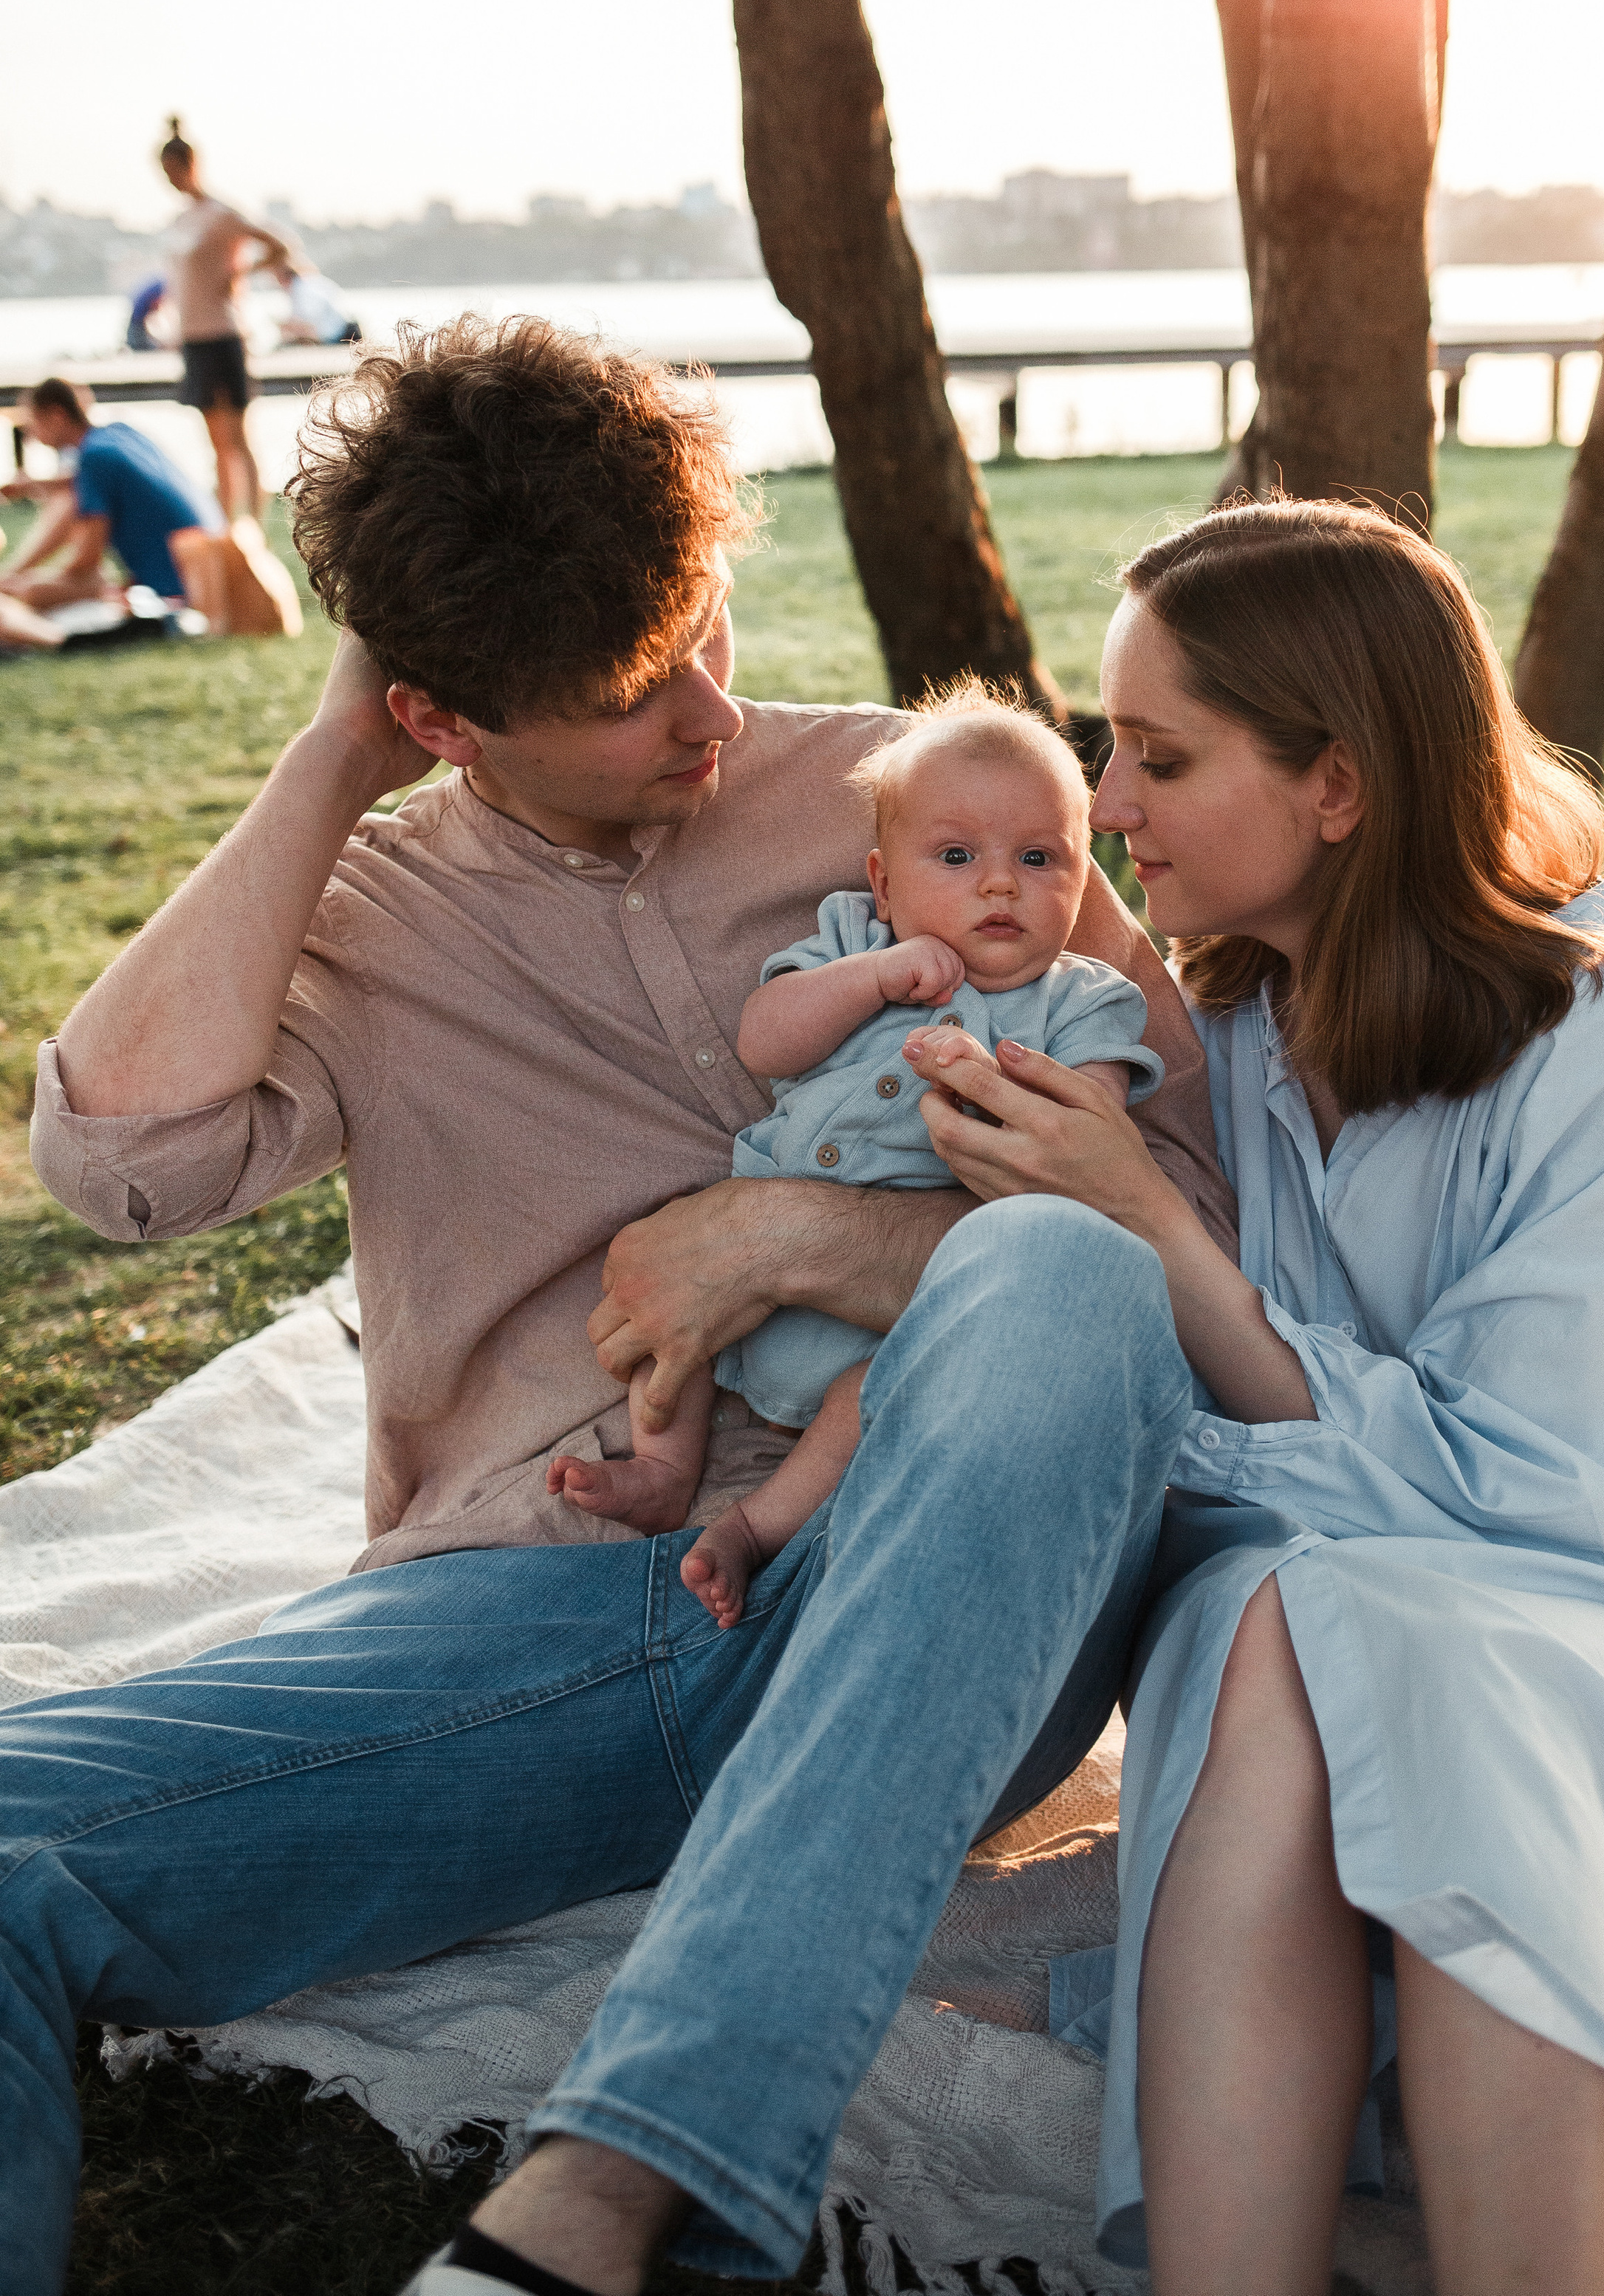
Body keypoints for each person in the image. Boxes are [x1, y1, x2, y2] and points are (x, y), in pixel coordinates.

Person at [4, 313, 1227, 2296]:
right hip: (554, 1606)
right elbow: (121, 1162)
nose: (707, 711)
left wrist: (800, 1238)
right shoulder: (368, 914)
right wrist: (330, 760)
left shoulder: (932, 808)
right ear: (440, 714)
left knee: (1071, 1273)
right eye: (625, 692)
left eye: (702, 627)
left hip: (961, 1549)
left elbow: (1178, 1221)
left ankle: (612, 2182)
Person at [902, 498, 1604, 2296]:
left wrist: (1155, 1241)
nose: (1103, 805)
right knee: (1286, 1611)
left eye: (1158, 756)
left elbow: (1565, 1493)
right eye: (1107, 748)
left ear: (1338, 783)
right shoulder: (1204, 1037)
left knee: (1381, 1652)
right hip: (1300, 1610)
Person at [550, 683, 1165, 1630]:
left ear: (1086, 880)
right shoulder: (851, 940)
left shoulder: (1084, 1003)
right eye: (956, 857)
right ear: (884, 884)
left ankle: (752, 1528)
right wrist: (871, 978)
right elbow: (766, 1041)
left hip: (883, 1315)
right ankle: (664, 1472)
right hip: (741, 1256)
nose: (999, 885)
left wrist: (989, 1083)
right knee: (669, 1306)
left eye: (1038, 858)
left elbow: (1086, 1149)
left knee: (864, 1402)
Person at [0, 377, 225, 637]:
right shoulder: (117, 434)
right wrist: (34, 485)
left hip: (178, 588)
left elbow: (87, 560)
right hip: (211, 566)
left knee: (35, 592)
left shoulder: (93, 458)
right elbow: (81, 478)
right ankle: (12, 576)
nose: (31, 436)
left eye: (33, 425)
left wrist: (33, 582)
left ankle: (9, 580)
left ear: (57, 416)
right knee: (68, 510)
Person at [156, 116, 300, 520]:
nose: (170, 180)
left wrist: (240, 274)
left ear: (190, 165)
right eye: (164, 173)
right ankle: (223, 523)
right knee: (215, 443)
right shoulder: (181, 220)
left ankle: (252, 521)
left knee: (238, 436)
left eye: (173, 170)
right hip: (192, 338)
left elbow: (281, 246)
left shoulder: (221, 213)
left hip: (223, 334)